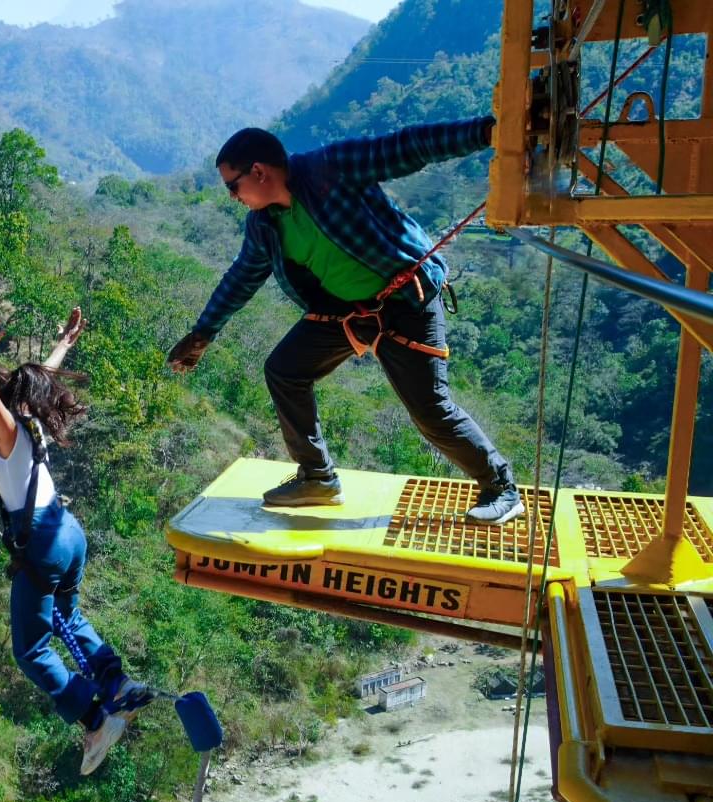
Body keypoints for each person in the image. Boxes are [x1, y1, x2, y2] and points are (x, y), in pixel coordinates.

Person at [167, 118, 524, 525]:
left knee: (431, 410)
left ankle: (501, 488)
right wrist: (202, 335)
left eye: (233, 185)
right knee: (285, 370)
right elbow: (241, 278)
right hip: (347, 313)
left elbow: (407, 147)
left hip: (406, 302)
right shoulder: (264, 224)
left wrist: (487, 133)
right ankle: (317, 478)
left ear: (259, 172)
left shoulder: (330, 169)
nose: (232, 196)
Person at [0, 308, 153, 775]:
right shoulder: (31, 422)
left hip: (45, 543)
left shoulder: (8, 433)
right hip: (69, 531)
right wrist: (65, 342)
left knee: (31, 650)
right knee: (68, 614)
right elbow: (41, 377)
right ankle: (117, 684)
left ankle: (95, 719)